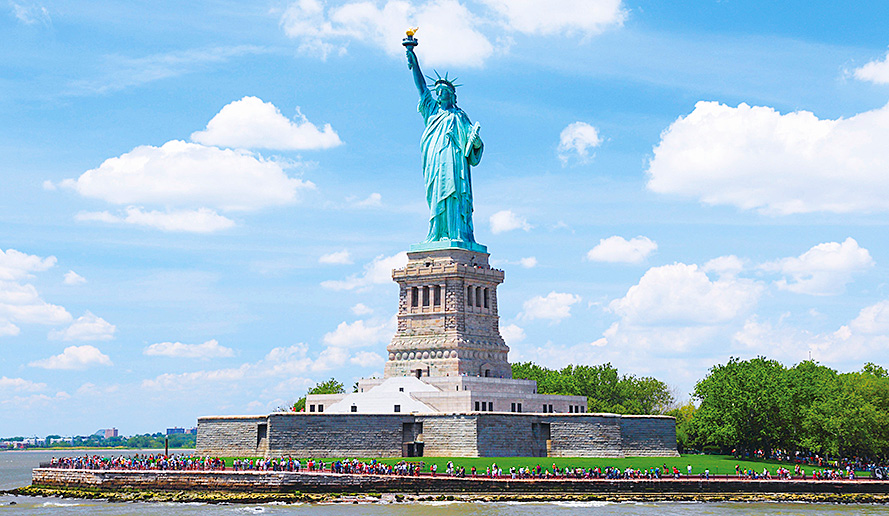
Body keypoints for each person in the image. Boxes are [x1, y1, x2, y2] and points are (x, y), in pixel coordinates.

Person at [405, 44, 483, 245]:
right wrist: (415, 63)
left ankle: (457, 233)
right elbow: (421, 88)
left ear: (451, 95)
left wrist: (476, 142)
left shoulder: (460, 116)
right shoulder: (431, 112)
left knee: (455, 194)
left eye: (443, 92)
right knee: (437, 195)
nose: (439, 95)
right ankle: (437, 234)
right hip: (435, 162)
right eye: (437, 92)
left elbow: (472, 145)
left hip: (455, 163)